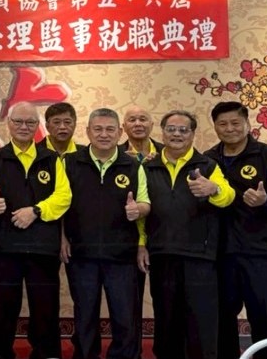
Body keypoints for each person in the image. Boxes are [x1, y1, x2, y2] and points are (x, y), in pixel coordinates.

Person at [138, 110, 235, 359]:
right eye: (171, 129)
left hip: (199, 256)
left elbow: (228, 196)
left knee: (201, 322)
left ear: (192, 134)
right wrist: (142, 244)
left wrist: (213, 189)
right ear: (162, 133)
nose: (177, 134)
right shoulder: (148, 167)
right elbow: (141, 210)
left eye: (183, 130)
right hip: (161, 254)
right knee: (166, 320)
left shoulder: (207, 165)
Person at [204, 102, 267, 359]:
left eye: (235, 123)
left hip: (262, 252)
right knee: (221, 320)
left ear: (247, 124)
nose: (229, 128)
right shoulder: (208, 159)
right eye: (223, 124)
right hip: (221, 254)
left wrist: (266, 201)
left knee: (265, 320)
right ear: (215, 127)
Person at [61, 108, 150, 359]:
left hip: (122, 254)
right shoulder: (69, 163)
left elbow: (145, 202)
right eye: (98, 129)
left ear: (120, 133)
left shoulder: (133, 165)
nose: (104, 134)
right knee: (85, 313)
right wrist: (61, 238)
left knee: (125, 315)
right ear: (88, 132)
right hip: (81, 253)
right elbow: (59, 205)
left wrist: (138, 210)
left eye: (110, 129)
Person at [0, 102, 72, 359]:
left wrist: (35, 211)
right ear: (8, 124)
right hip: (5, 246)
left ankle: (47, 354)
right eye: (18, 122)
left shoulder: (51, 159)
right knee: (2, 308)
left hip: (43, 247)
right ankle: (0, 355)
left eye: (30, 122)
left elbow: (64, 196)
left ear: (38, 126)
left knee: (46, 307)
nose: (24, 127)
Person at [118, 104, 163, 358]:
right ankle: (131, 352)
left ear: (152, 125)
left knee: (166, 300)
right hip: (127, 240)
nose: (138, 124)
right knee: (129, 304)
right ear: (124, 127)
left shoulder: (167, 154)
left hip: (162, 239)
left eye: (143, 119)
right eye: (132, 119)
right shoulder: (115, 155)